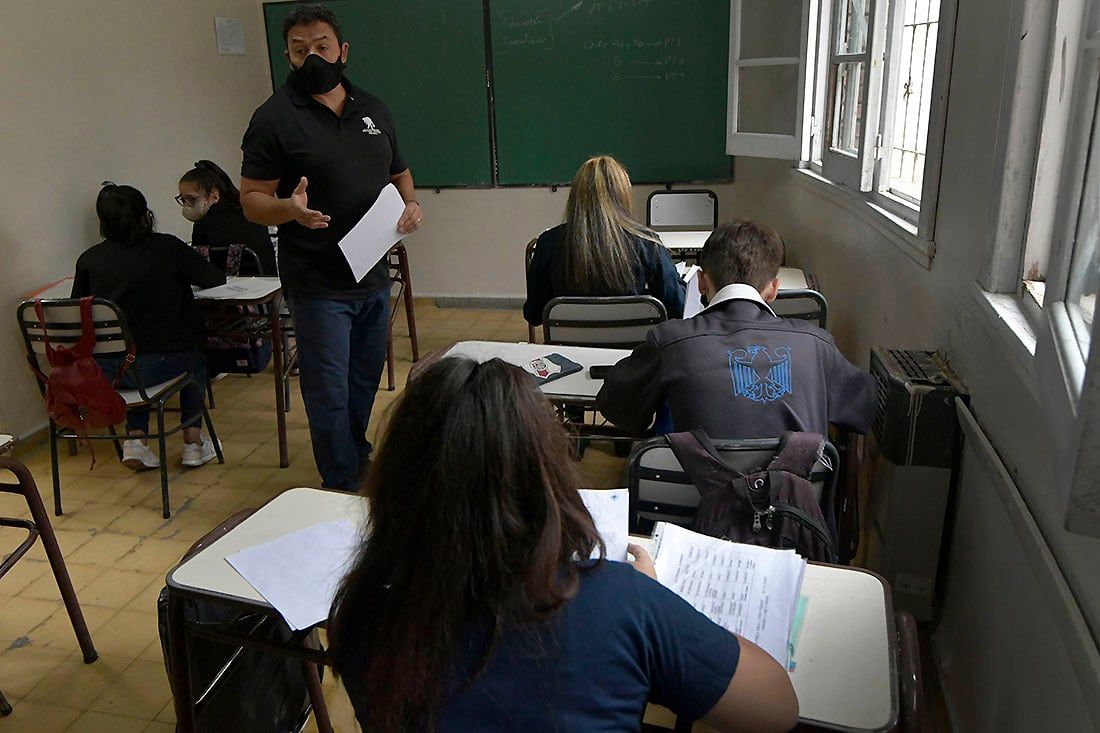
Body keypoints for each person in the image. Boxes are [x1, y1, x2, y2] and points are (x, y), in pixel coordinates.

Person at [328, 357, 799, 732]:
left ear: (394, 485)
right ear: (544, 478)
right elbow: (776, 709)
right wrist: (656, 603)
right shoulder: (619, 601)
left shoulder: (362, 615)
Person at [238, 3, 422, 490]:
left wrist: (411, 205)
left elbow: (399, 172)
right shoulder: (273, 118)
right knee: (328, 390)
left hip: (372, 273)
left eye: (321, 46)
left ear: (342, 50)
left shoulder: (373, 108)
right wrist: (289, 210)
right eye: (300, 51)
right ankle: (340, 482)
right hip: (317, 281)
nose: (312, 57)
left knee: (365, 379)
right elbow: (252, 201)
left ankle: (354, 454)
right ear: (288, 57)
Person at [597, 219, 876, 438]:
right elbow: (864, 409)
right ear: (774, 289)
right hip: (792, 506)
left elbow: (616, 408)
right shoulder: (816, 344)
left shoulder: (669, 342)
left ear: (701, 283)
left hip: (686, 504)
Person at [71, 183, 225, 469]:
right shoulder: (166, 247)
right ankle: (192, 441)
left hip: (106, 372)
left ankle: (136, 439)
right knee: (196, 359)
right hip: (155, 365)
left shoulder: (89, 260)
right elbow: (214, 277)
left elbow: (77, 310)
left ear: (103, 222)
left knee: (132, 353)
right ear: (145, 216)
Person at [524, 155, 686, 326]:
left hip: (567, 349)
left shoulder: (548, 243)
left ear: (575, 195)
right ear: (623, 195)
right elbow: (678, 308)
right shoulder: (647, 243)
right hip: (630, 350)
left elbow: (533, 314)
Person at [177, 160, 277, 276]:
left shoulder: (204, 224)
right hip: (270, 284)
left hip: (234, 288)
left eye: (191, 199)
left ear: (214, 196)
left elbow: (201, 270)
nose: (186, 205)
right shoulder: (248, 210)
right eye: (183, 199)